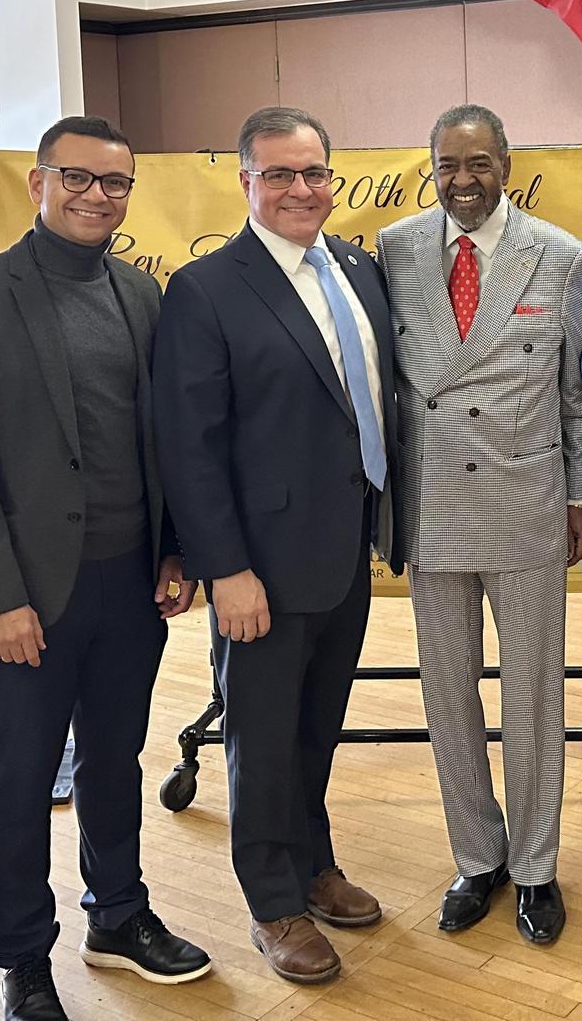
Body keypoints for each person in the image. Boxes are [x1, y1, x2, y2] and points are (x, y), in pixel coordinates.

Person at [0, 116, 211, 1021]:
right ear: (39, 183)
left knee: (114, 758)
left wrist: (175, 546)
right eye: (77, 179)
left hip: (129, 580)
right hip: (27, 597)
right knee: (20, 777)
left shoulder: (140, 291)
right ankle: (21, 958)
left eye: (115, 184)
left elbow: (159, 440)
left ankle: (118, 915)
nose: (97, 196)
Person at [152, 106, 402, 985]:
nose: (302, 190)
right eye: (280, 174)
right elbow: (191, 443)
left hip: (344, 554)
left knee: (316, 728)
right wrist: (226, 568)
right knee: (261, 738)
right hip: (257, 566)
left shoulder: (359, 272)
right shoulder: (207, 288)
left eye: (315, 173)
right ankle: (272, 901)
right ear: (246, 182)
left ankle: (312, 861)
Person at [375, 104, 582, 945]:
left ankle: (536, 865)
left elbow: (575, 389)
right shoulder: (393, 250)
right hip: (433, 507)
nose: (463, 181)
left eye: (478, 163)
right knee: (448, 692)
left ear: (506, 160)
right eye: (446, 165)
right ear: (430, 166)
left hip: (527, 495)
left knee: (533, 694)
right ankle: (477, 854)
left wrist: (580, 496)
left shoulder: (563, 255)